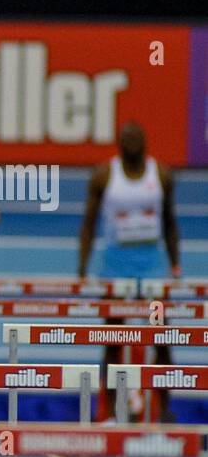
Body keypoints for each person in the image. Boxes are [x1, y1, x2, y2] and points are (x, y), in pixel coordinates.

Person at [79, 121, 181, 421]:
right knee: (112, 340)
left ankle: (163, 408)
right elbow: (88, 224)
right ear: (119, 143)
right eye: (127, 138)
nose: (132, 142)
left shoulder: (161, 174)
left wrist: (175, 265)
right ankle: (111, 411)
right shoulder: (104, 175)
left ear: (146, 141)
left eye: (137, 137)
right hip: (115, 265)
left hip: (152, 266)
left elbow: (170, 222)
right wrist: (82, 269)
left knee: (162, 338)